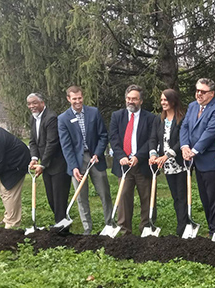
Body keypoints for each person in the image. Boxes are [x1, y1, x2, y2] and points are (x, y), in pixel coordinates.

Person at [57, 85, 113, 235]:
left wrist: (98, 153)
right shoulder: (63, 119)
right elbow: (66, 145)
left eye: (79, 98)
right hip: (77, 161)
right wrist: (73, 166)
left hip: (95, 157)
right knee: (81, 196)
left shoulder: (93, 113)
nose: (77, 101)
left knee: (104, 193)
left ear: (83, 97)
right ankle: (87, 227)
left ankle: (110, 223)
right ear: (69, 99)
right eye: (74, 99)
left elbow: (103, 135)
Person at [180, 78, 215, 237]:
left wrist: (194, 150)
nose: (199, 94)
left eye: (203, 91)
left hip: (211, 160)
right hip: (195, 160)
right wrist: (184, 146)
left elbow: (210, 132)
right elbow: (185, 126)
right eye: (197, 90)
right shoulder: (192, 106)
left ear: (212, 93)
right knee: (204, 198)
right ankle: (211, 227)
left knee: (213, 198)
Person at [109, 84, 155, 235]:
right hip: (123, 165)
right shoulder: (117, 116)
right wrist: (121, 156)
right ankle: (124, 230)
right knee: (124, 198)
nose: (130, 101)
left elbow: (151, 140)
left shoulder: (150, 118)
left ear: (141, 101)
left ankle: (146, 228)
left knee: (147, 198)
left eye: (134, 99)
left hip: (142, 164)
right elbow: (114, 138)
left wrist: (138, 157)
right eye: (128, 98)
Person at [149, 89, 189, 236]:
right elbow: (153, 138)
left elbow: (182, 140)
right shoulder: (158, 120)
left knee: (182, 195)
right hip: (166, 165)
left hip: (179, 162)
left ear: (173, 101)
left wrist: (168, 155)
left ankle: (183, 227)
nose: (163, 103)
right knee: (175, 196)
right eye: (161, 100)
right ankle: (181, 223)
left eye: (166, 100)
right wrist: (153, 153)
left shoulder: (182, 119)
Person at [27, 93, 69, 229]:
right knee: (51, 198)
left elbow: (52, 143)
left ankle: (62, 226)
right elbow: (33, 141)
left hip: (58, 164)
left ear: (42, 103)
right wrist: (34, 158)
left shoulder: (51, 118)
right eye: (29, 104)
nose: (32, 106)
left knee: (59, 198)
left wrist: (43, 164)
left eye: (34, 103)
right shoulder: (33, 119)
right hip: (45, 165)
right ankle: (61, 222)